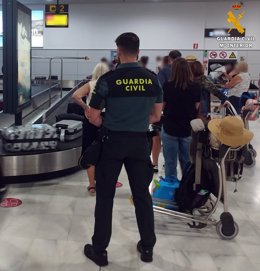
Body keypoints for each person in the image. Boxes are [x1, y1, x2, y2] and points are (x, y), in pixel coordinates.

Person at [83, 32, 163, 266]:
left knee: (105, 196)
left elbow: (95, 116)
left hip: (112, 143)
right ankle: (147, 247)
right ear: (138, 51)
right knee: (142, 196)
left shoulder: (108, 80)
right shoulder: (152, 79)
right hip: (140, 143)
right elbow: (156, 115)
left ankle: (99, 250)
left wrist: (107, 121)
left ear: (118, 51)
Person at [72, 62, 109, 195]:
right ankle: (103, 182)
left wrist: (85, 107)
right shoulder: (109, 84)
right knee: (105, 152)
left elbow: (75, 95)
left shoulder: (91, 84)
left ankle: (92, 185)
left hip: (90, 120)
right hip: (106, 120)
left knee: (90, 151)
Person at [161, 58, 201, 179]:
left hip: (170, 128)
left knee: (170, 163)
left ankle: (171, 189)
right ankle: (185, 190)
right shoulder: (196, 86)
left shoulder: (167, 86)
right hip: (187, 129)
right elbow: (196, 106)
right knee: (187, 163)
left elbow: (163, 106)